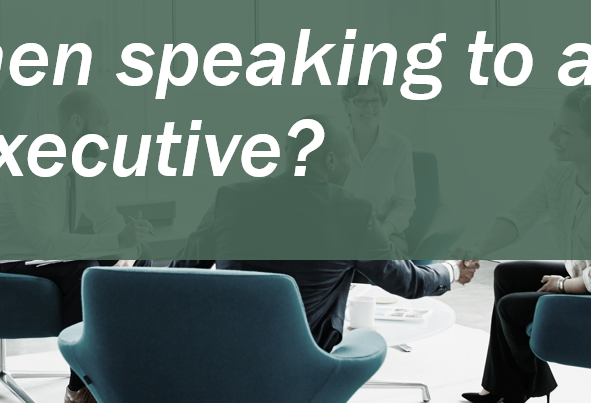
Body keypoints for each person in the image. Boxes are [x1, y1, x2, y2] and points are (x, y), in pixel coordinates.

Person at [175, 114, 476, 351]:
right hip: (304, 358)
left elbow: (180, 272)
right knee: (366, 336)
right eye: (348, 159)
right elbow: (407, 281)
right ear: (331, 160)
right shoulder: (353, 211)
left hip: (226, 349)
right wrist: (452, 270)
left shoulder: (230, 197)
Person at [462, 85, 591, 403]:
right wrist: (478, 246)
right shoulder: (560, 171)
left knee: (512, 308)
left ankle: (526, 385)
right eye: (554, 126)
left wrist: (560, 285)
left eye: (566, 132)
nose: (552, 138)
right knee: (506, 275)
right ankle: (504, 387)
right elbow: (521, 215)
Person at [0, 89, 153, 403]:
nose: (108, 132)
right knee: (82, 271)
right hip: (7, 258)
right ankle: (79, 389)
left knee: (138, 260)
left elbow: (108, 220)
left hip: (48, 256)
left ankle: (119, 372)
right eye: (102, 124)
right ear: (77, 122)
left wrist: (128, 249)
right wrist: (116, 240)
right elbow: (45, 243)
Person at [337, 83, 417, 255]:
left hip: (386, 232)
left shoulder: (399, 145)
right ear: (346, 105)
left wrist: (380, 232)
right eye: (361, 101)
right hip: (342, 230)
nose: (369, 108)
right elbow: (327, 195)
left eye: (375, 101)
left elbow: (405, 203)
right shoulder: (335, 142)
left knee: (373, 255)